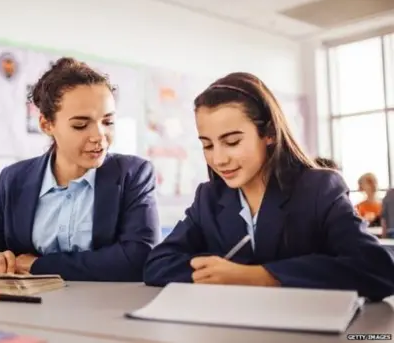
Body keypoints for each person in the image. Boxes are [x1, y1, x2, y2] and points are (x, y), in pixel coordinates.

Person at [143, 72, 394, 301]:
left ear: (269, 134)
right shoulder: (209, 197)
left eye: (232, 142)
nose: (218, 159)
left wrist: (260, 276)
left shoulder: (319, 188)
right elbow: (158, 263)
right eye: (207, 145)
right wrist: (216, 274)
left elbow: (377, 270)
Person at [0, 57, 160, 281]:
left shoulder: (133, 174)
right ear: (46, 124)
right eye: (80, 125)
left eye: (108, 122)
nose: (99, 136)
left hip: (103, 309)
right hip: (25, 309)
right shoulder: (14, 178)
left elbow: (138, 258)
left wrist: (39, 265)